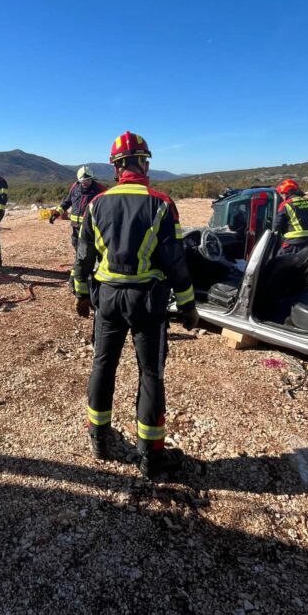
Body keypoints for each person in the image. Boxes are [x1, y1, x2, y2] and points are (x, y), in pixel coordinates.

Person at [72, 131, 199, 480]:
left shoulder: (97, 203)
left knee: (103, 366)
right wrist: (188, 305)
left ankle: (99, 439)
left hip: (108, 300)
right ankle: (151, 457)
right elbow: (174, 259)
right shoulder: (161, 202)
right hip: (147, 301)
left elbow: (84, 256)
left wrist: (81, 294)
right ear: (144, 163)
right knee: (151, 375)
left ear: (116, 167)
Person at [49, 166, 106, 252]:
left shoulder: (99, 190)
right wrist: (56, 213)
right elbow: (67, 202)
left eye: (88, 180)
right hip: (76, 226)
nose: (86, 182)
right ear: (79, 180)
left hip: (90, 227)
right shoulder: (75, 187)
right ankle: (80, 262)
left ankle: (91, 264)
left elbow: (106, 208)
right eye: (83, 180)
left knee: (89, 249)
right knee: (76, 243)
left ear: (92, 178)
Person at [274, 178, 308, 255]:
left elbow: (276, 225)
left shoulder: (285, 205)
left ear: (287, 193)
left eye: (282, 194)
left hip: (293, 243)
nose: (282, 197)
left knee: (277, 263)